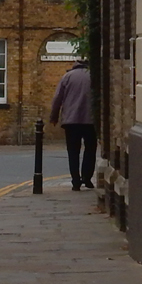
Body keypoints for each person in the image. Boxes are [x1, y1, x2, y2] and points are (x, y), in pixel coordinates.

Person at [49, 59, 96, 191]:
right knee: (90, 149)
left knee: (73, 151)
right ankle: (87, 178)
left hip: (71, 121)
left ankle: (75, 181)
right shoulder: (93, 76)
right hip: (90, 120)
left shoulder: (67, 77)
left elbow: (57, 98)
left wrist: (54, 116)